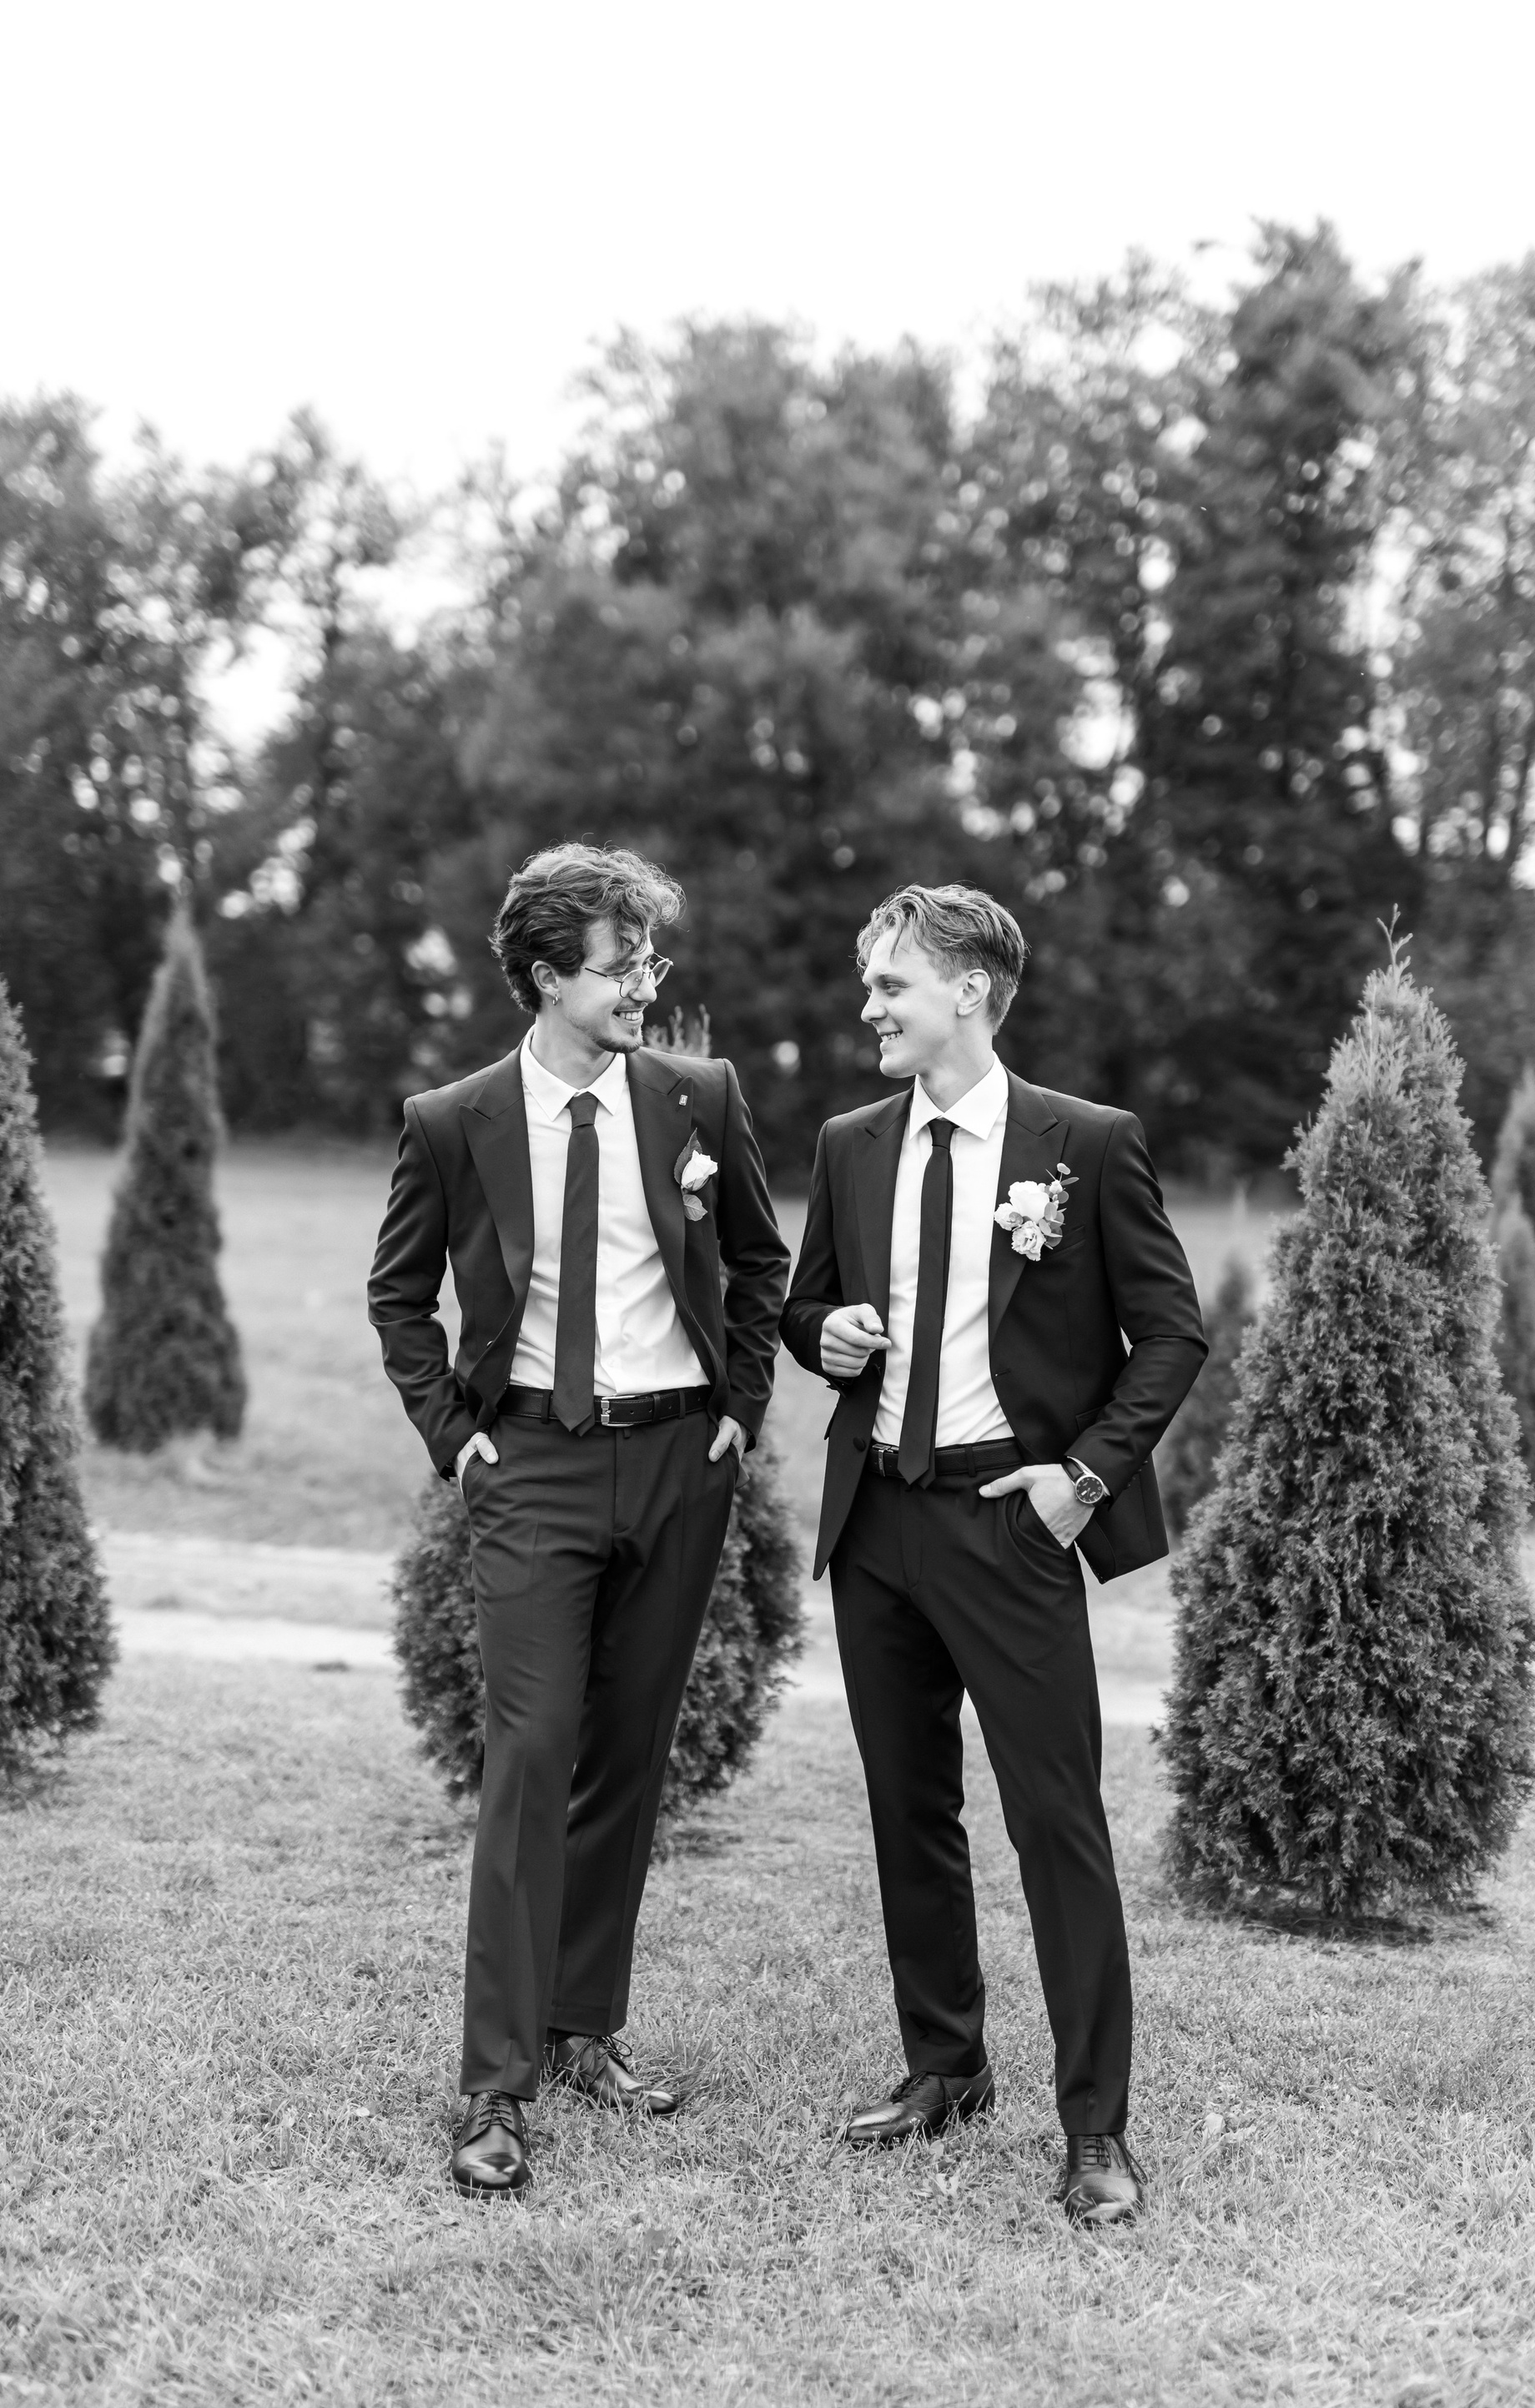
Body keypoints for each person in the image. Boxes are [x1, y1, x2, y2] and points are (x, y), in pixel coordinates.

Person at [780, 883, 1205, 2225]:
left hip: (1011, 1525)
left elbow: (1173, 1334)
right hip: (878, 1520)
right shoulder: (851, 1143)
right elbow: (805, 1304)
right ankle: (946, 2066)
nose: (869, 1006)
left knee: (1055, 1821)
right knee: (908, 1808)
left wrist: (1082, 1479)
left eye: (890, 984)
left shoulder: (1089, 1144)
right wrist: (822, 1334)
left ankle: (1096, 2128)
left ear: (968, 989)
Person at [369, 843, 788, 2197]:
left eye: (648, 960)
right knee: (533, 1751)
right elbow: (399, 1296)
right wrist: (457, 1438)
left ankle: (580, 2029)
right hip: (534, 1467)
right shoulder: (453, 1120)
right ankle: (495, 2086)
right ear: (549, 976)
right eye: (621, 966)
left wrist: (740, 1407)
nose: (644, 986)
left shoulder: (701, 1097)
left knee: (627, 1753)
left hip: (679, 1458)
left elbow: (762, 1264)